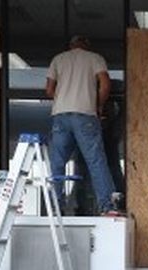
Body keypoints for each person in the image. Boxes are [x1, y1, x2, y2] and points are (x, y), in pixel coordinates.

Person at [45, 35, 121, 216]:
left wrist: (64, 99)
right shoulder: (94, 58)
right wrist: (98, 105)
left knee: (57, 162)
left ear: (71, 45)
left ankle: (55, 206)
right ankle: (107, 205)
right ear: (86, 45)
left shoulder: (58, 59)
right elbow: (105, 84)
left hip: (61, 115)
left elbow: (49, 90)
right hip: (85, 114)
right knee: (95, 161)